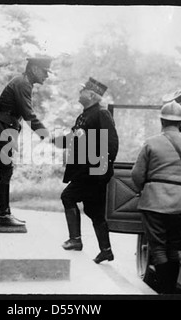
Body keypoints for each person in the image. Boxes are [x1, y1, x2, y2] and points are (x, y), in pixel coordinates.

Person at [131, 101, 181, 293]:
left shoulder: (151, 142)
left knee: (158, 248)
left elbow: (136, 174)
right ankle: (171, 290)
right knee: (173, 247)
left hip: (153, 201)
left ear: (162, 120)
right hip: (180, 203)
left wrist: (144, 189)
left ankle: (165, 291)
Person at [52, 78, 119, 264]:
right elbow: (75, 138)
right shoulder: (84, 116)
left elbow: (112, 144)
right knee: (94, 211)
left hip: (93, 170)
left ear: (90, 95)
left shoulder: (101, 114)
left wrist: (103, 168)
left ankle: (75, 240)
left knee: (68, 196)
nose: (79, 93)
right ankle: (106, 250)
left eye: (82, 90)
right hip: (87, 170)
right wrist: (56, 141)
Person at [0, 57, 52, 226]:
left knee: (5, 170)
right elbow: (28, 114)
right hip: (1, 130)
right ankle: (4, 215)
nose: (46, 76)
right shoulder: (23, 83)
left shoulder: (23, 82)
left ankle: (4, 213)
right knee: (6, 170)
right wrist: (45, 134)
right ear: (34, 69)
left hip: (4, 128)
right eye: (44, 71)